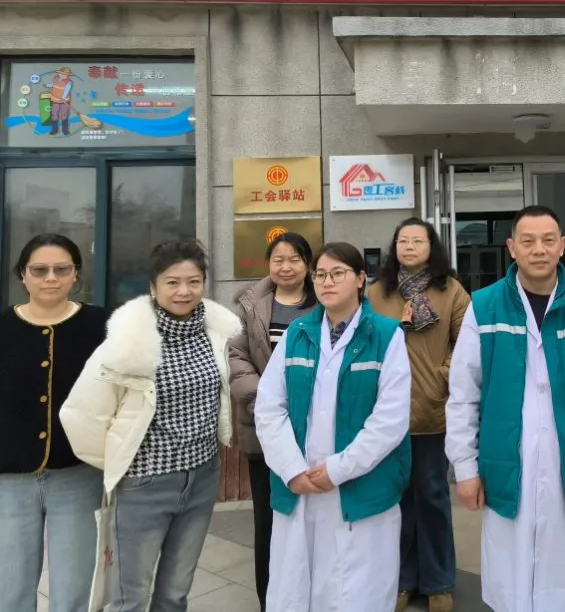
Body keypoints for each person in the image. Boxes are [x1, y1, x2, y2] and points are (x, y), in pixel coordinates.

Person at [446, 205, 565, 612]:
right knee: (513, 582)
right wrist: (464, 467)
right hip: (507, 462)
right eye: (528, 241)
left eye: (548, 240)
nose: (539, 249)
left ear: (562, 246)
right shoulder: (485, 306)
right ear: (511, 247)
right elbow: (464, 394)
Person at [60, 239, 240, 612]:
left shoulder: (216, 333)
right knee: (130, 597)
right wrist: (121, 463)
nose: (184, 291)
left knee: (175, 593)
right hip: (144, 484)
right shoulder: (128, 342)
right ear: (153, 287)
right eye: (172, 282)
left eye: (193, 281)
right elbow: (81, 415)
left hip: (202, 477)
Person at [255, 241, 412, 612]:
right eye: (321, 274)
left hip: (360, 488)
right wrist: (292, 469)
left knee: (356, 594)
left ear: (360, 279)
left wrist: (339, 469)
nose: (327, 282)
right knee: (296, 592)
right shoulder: (297, 334)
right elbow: (269, 407)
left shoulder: (386, 336)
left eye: (338, 273)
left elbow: (390, 420)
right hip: (300, 486)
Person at [0, 234, 109, 612]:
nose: (51, 278)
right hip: (9, 478)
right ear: (22, 275)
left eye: (61, 269)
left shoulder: (102, 325)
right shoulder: (3, 326)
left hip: (78, 474)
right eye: (40, 270)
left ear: (75, 274)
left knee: (74, 590)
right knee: (9, 588)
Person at [368, 218, 470, 612]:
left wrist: (442, 378)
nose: (409, 247)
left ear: (432, 247)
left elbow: (466, 343)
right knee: (396, 501)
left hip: (432, 412)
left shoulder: (451, 290)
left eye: (418, 241)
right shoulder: (377, 292)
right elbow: (365, 340)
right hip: (387, 416)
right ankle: (402, 580)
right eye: (403, 241)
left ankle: (439, 582)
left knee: (433, 498)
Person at [229, 232, 318, 611]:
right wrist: (267, 404)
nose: (286, 267)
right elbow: (236, 357)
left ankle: (313, 595)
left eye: (294, 259)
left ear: (307, 264)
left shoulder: (324, 300)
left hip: (317, 427)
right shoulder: (250, 305)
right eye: (278, 259)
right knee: (268, 519)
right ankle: (270, 599)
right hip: (263, 430)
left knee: (316, 516)